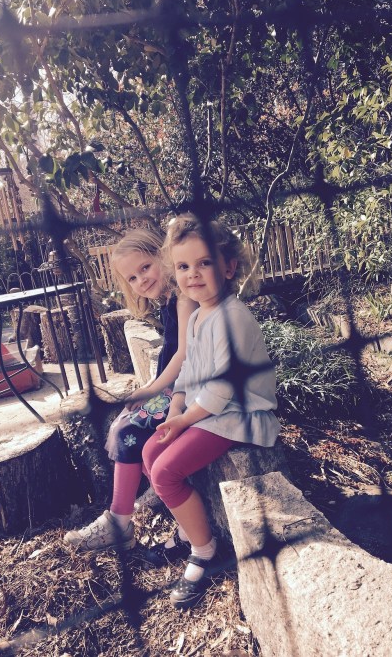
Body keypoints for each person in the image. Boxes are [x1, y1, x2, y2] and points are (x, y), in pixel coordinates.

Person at [141, 214, 280, 609]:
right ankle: (189, 530)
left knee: (165, 472)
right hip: (209, 410)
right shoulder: (199, 314)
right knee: (150, 452)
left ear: (229, 268)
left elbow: (222, 387)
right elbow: (190, 369)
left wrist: (185, 420)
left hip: (239, 413)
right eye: (183, 266)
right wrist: (176, 406)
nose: (193, 274)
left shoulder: (232, 317)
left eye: (204, 263)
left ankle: (205, 551)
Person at [64, 227, 197, 552]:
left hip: (191, 389)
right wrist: (149, 390)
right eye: (132, 278)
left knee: (128, 429)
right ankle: (127, 512)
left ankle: (120, 522)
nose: (141, 280)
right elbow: (170, 355)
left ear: (163, 256)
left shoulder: (184, 298)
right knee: (123, 421)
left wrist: (151, 390)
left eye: (145, 267)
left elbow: (183, 355)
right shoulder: (168, 300)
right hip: (177, 385)